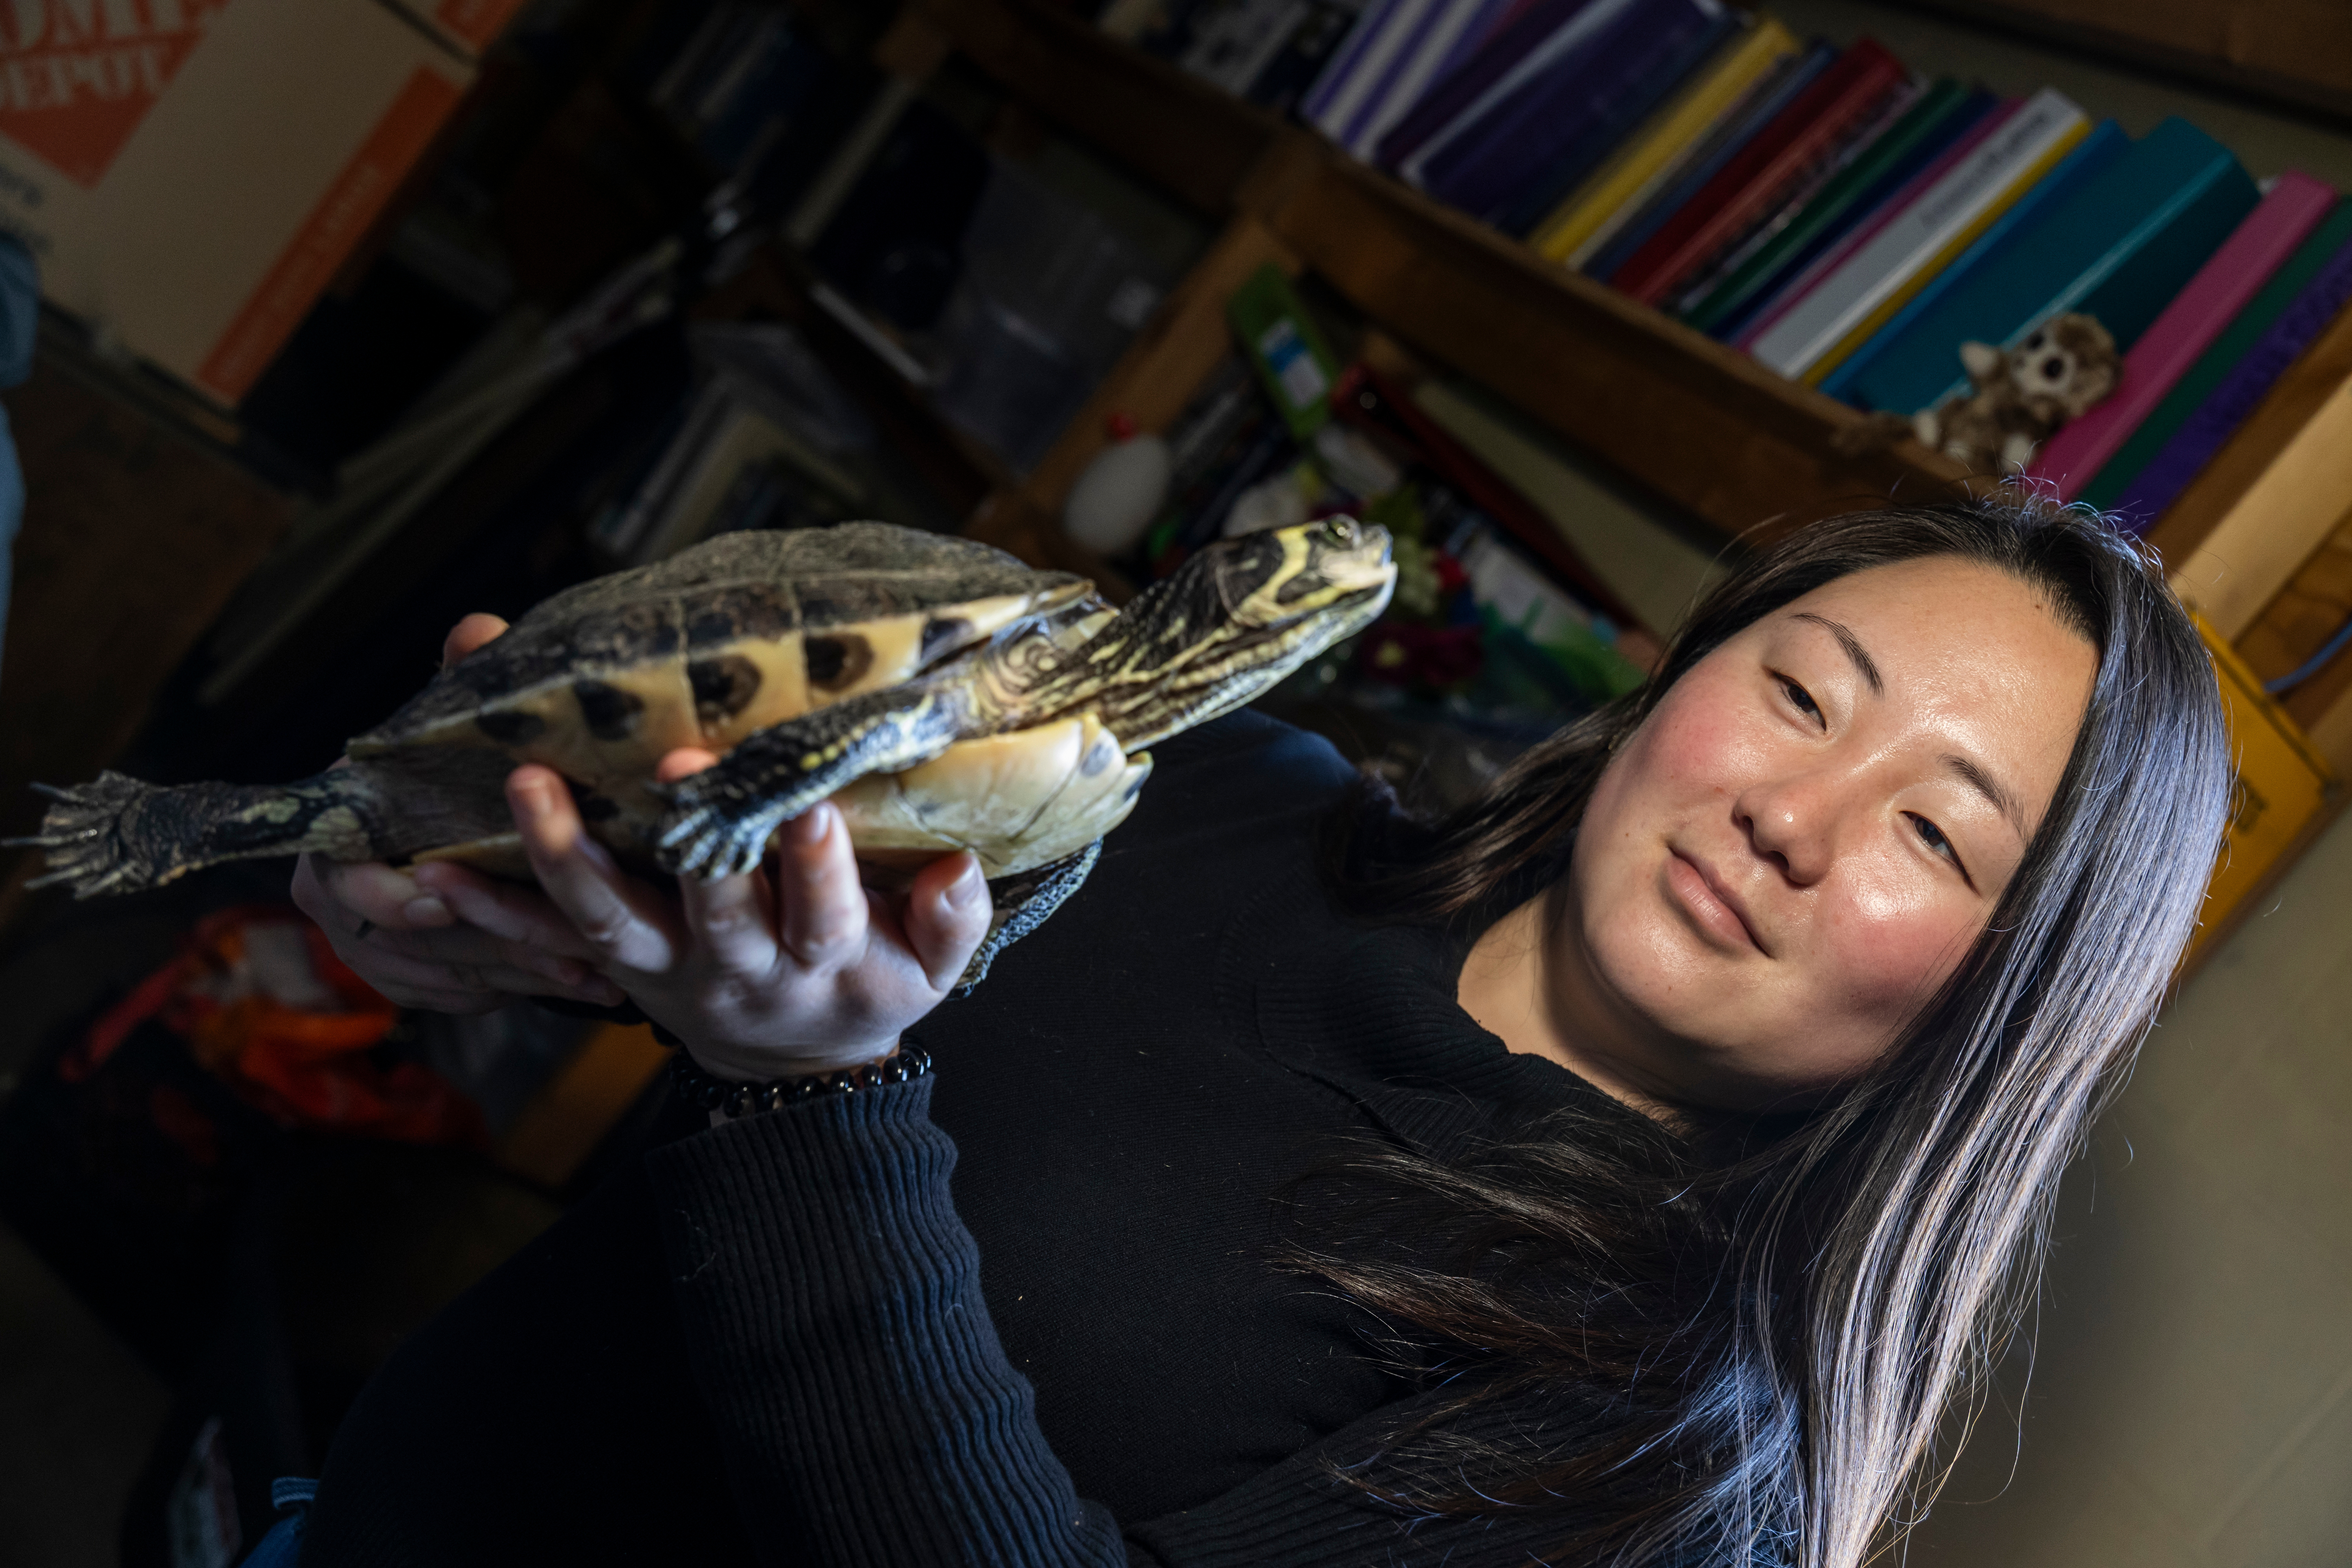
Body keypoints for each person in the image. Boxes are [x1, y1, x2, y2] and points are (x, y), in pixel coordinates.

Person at [280, 494, 2229, 1568]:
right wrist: (457, 889)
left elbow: (805, 1102)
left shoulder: (1672, 1472)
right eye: (1805, 692)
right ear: (1688, 670)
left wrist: (818, 1094)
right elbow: (725, 926)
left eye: (1931, 831)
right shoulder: (1194, 787)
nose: (1789, 818)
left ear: (2001, 1004)